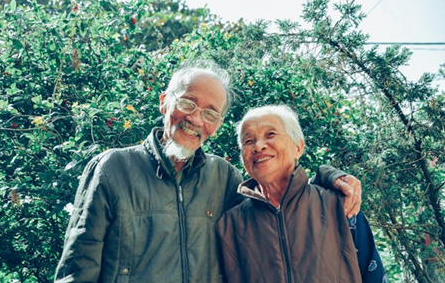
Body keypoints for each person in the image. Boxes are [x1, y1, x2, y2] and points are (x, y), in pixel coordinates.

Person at [55, 62, 362, 282]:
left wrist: (329, 177)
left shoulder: (224, 177)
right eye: (187, 103)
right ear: (165, 103)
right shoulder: (113, 168)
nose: (195, 119)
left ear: (216, 125)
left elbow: (278, 193)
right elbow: (77, 268)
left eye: (210, 113)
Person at [216, 105, 387, 283]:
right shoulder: (230, 225)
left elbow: (373, 273)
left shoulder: (339, 204)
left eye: (271, 135)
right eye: (248, 141)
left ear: (298, 147)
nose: (258, 146)